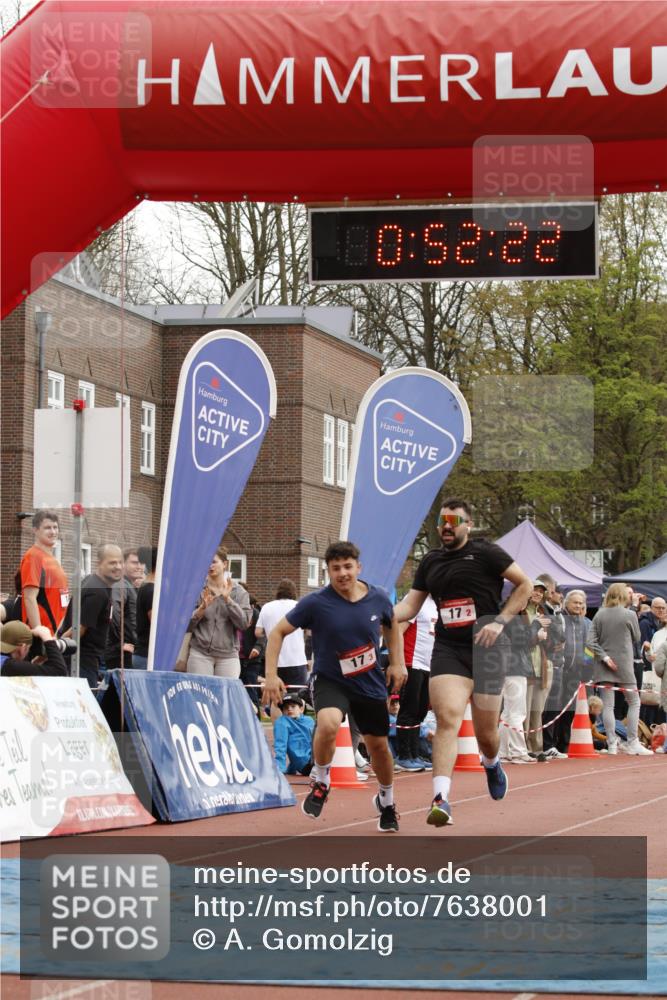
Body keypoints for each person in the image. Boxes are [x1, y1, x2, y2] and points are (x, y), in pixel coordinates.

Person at [394, 498, 532, 827]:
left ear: (467, 525)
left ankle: (492, 762)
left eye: (454, 521)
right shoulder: (430, 562)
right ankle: (441, 799)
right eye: (443, 521)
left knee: (486, 734)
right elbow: (410, 607)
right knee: (447, 719)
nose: (446, 526)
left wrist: (500, 621)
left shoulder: (487, 553)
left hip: (488, 650)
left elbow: (524, 585)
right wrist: (376, 615)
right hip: (449, 649)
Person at [262, 540, 407, 833]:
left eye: (348, 567)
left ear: (358, 567)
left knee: (378, 747)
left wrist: (397, 663)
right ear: (328, 571)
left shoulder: (377, 598)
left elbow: (392, 627)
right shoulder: (316, 603)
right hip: (331, 679)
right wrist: (271, 673)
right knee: (328, 723)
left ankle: (387, 801)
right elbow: (277, 632)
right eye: (336, 568)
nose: (342, 573)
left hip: (368, 682)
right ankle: (322, 779)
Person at [587, 583, 652, 756]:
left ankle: (611, 744)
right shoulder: (630, 614)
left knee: (608, 705)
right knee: (634, 701)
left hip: (603, 665)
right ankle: (632, 742)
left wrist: (606, 657)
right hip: (624, 664)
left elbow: (590, 642)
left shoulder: (599, 614)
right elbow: (637, 637)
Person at [61, 544, 124, 688]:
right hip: (81, 661)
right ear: (99, 563)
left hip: (81, 660)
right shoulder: (97, 591)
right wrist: (55, 650)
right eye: (112, 562)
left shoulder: (92, 582)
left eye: (120, 562)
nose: (118, 567)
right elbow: (78, 629)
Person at [186, 546, 252, 677]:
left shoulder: (239, 592)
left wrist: (228, 600)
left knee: (224, 696)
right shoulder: (196, 590)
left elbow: (244, 624)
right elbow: (186, 626)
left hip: (228, 656)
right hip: (200, 653)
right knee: (200, 695)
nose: (210, 565)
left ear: (225, 564)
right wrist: (201, 609)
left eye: (214, 561)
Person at [395, 596, 437, 770]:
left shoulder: (439, 603)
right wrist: (398, 661)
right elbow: (398, 629)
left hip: (429, 665)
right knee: (409, 709)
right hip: (412, 662)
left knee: (420, 710)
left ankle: (414, 753)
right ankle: (403, 755)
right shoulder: (416, 600)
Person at [498, 592, 540, 765]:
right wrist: (536, 626)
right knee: (516, 712)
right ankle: (517, 751)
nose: (525, 603)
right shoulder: (514, 618)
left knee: (507, 713)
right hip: (515, 668)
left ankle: (503, 751)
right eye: (524, 600)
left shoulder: (504, 614)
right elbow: (522, 640)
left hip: (506, 667)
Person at [555, 590, 593, 753]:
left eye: (581, 603)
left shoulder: (587, 623)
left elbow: (590, 649)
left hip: (575, 673)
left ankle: (563, 745)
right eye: (575, 602)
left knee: (569, 710)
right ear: (566, 603)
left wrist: (586, 668)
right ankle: (550, 744)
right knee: (554, 707)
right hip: (559, 670)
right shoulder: (560, 620)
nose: (578, 606)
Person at [20, 509, 69, 632]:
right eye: (47, 528)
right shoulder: (33, 556)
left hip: (56, 631)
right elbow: (29, 597)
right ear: (35, 530)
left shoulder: (51, 558)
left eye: (55, 527)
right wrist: (38, 631)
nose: (53, 532)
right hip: (44, 634)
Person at [256, 579, 308, 692]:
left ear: (278, 592)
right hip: (297, 660)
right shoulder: (298, 606)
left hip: (274, 662)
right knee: (296, 699)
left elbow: (258, 632)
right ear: (294, 592)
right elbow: (309, 630)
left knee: (275, 699)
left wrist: (271, 632)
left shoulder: (267, 607)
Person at [105, 548, 142, 670]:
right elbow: (114, 612)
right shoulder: (120, 585)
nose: (139, 566)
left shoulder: (130, 586)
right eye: (134, 563)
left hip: (126, 650)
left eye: (141, 563)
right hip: (120, 653)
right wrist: (120, 644)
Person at [0, 620, 68, 677]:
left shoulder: (6, 664)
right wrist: (48, 639)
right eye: (28, 648)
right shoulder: (11, 666)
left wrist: (36, 663)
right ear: (22, 648)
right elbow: (60, 671)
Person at [272, 694, 315, 775]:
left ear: (301, 709)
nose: (289, 709)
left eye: (293, 706)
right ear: (282, 712)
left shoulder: (309, 720)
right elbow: (280, 745)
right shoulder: (282, 722)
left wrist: (291, 769)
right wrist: (280, 768)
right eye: (285, 708)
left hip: (316, 757)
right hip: (306, 764)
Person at [133, 546, 157, 669]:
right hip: (147, 655)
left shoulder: (146, 587)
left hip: (144, 653)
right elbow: (156, 624)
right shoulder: (151, 591)